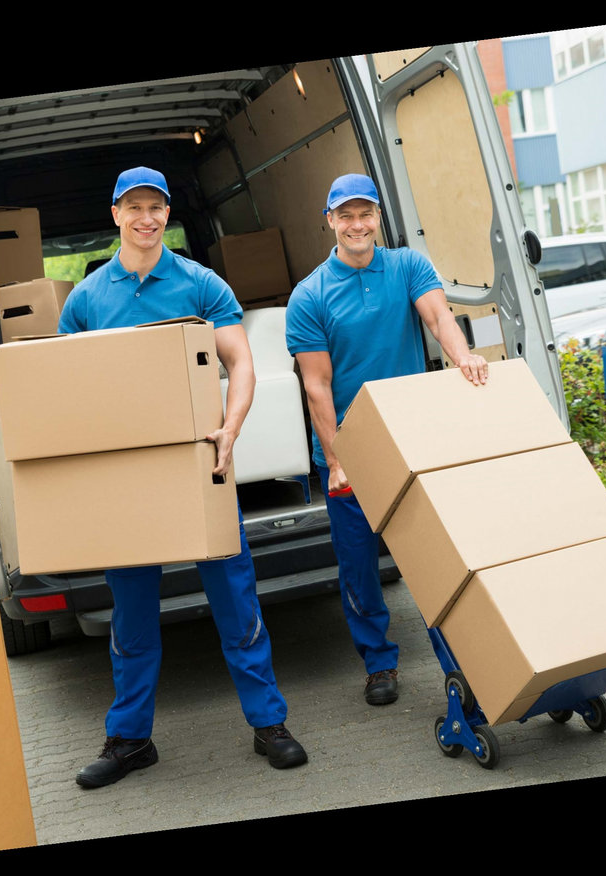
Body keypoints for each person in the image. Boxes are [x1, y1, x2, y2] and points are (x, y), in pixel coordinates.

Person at [59, 166, 306, 789]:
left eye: (157, 208)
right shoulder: (87, 299)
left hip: (201, 464)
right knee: (132, 615)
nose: (147, 218)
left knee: (234, 597)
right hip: (129, 479)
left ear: (167, 215)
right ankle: (130, 740)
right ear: (115, 213)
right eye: (135, 207)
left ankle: (269, 724)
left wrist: (232, 428)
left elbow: (240, 361)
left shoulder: (200, 284)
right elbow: (65, 388)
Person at [285, 173, 489, 706]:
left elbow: (438, 315)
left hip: (412, 438)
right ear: (329, 220)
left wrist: (462, 355)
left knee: (433, 554)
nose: (357, 225)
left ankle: (463, 651)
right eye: (345, 215)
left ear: (378, 218)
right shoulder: (310, 295)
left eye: (365, 214)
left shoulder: (407, 266)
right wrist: (335, 460)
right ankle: (378, 663)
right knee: (359, 567)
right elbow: (317, 385)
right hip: (351, 449)